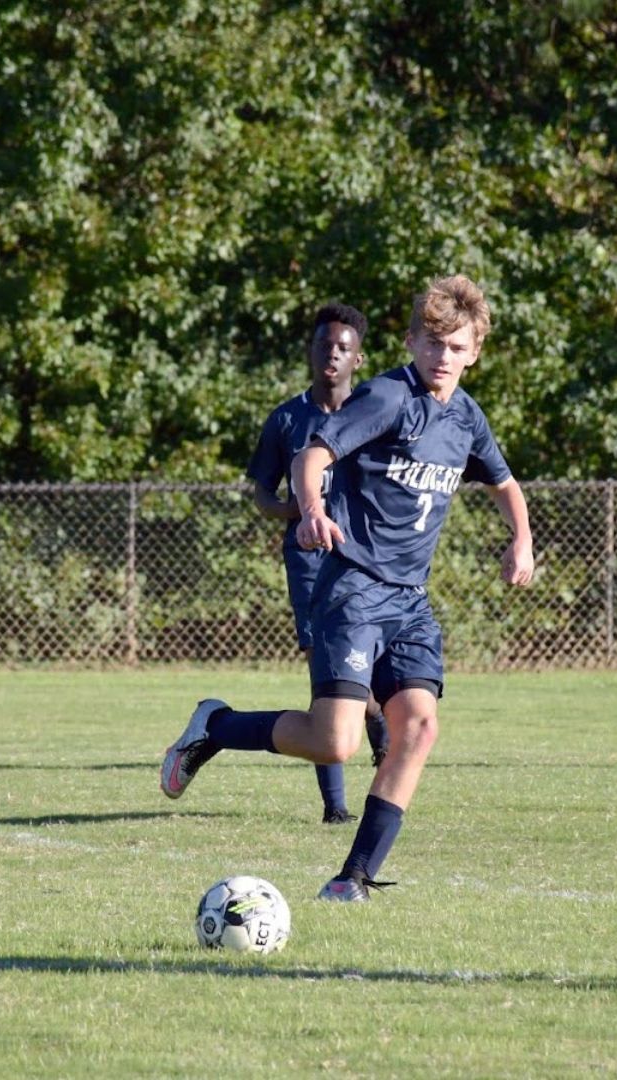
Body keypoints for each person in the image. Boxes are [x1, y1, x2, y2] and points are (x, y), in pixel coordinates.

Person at [162, 274, 535, 900]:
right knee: (334, 740)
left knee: (418, 728)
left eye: (457, 346)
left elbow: (504, 483)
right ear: (413, 340)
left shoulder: (467, 418)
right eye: (433, 342)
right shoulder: (389, 397)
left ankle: (352, 877)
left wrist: (521, 538)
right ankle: (216, 726)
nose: (443, 357)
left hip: (410, 600)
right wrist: (310, 507)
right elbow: (313, 454)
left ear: (476, 351)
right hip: (354, 588)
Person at [246, 303, 391, 825]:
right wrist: (300, 512)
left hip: (368, 563)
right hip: (310, 565)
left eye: (343, 347)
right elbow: (262, 494)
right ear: (311, 351)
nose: (333, 353)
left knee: (370, 688)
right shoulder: (288, 419)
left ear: (358, 357)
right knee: (325, 675)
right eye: (324, 344)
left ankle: (381, 739)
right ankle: (335, 806)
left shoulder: (376, 412)